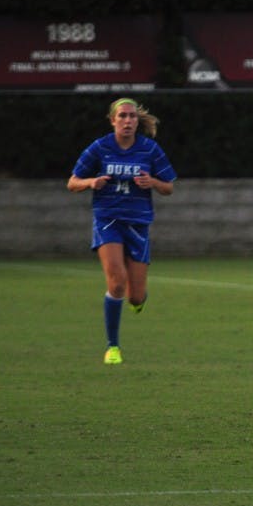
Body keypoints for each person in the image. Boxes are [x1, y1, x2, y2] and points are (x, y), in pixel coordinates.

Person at [67, 97, 177, 365]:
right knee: (116, 282)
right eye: (123, 116)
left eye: (132, 116)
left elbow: (169, 187)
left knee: (135, 295)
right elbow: (72, 182)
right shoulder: (100, 147)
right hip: (108, 220)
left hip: (138, 223)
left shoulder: (149, 149)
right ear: (113, 120)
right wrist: (92, 181)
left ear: (137, 121)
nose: (128, 121)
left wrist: (152, 182)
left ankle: (137, 299)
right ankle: (112, 346)